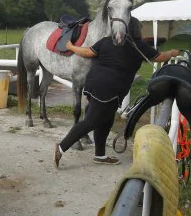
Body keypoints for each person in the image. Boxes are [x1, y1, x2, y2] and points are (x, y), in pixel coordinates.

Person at [53, 18, 180, 167]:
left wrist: (70, 46)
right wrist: (172, 52)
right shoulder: (139, 46)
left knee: (106, 120)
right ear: (136, 29)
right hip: (109, 87)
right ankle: (61, 148)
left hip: (96, 83)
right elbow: (160, 57)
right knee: (91, 121)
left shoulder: (107, 41)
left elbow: (87, 52)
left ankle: (100, 155)